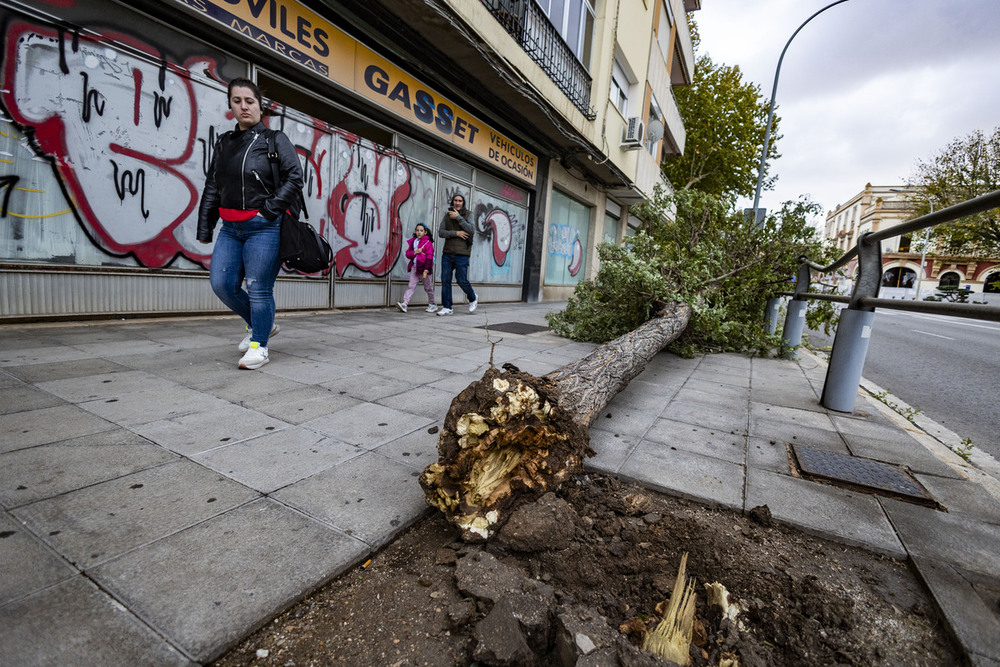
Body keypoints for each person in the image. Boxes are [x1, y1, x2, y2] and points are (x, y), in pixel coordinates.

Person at [197, 77, 303, 369]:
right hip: (230, 228)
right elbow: (212, 185)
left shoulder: (274, 139)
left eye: (249, 101)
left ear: (260, 105)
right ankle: (262, 325)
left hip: (264, 227)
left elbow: (296, 178)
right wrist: (205, 226)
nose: (243, 106)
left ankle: (259, 345)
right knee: (222, 284)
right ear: (230, 105)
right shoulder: (224, 143)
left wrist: (268, 211)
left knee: (258, 288)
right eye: (237, 101)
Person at [436, 193, 478, 316]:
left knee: (461, 280)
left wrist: (459, 217)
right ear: (452, 202)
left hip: (462, 253)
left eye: (460, 201)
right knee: (446, 280)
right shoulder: (447, 215)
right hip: (447, 253)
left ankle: (472, 297)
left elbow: (471, 230)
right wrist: (456, 233)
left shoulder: (469, 215)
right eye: (455, 200)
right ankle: (447, 307)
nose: (457, 203)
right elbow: (441, 232)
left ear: (463, 203)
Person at [397, 223, 437, 313]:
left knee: (428, 287)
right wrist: (415, 252)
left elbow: (429, 257)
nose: (419, 232)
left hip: (424, 268)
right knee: (411, 285)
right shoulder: (413, 241)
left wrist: (426, 270)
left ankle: (433, 303)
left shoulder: (428, 243)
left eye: (421, 230)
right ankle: (405, 303)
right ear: (415, 231)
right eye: (417, 230)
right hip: (415, 268)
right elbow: (408, 254)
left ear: (425, 232)